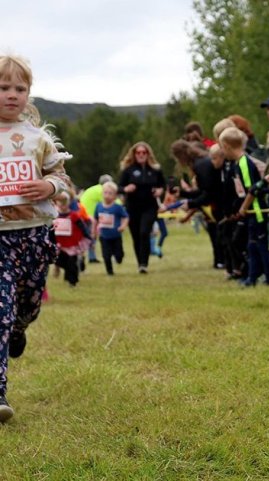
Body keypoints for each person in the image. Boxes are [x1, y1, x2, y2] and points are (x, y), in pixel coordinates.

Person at [0, 55, 71, 422]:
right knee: (0, 308)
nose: (12, 95)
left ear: (29, 94)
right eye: (3, 87)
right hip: (0, 239)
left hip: (35, 235)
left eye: (19, 88)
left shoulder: (39, 139)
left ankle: (20, 328)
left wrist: (47, 185)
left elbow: (62, 181)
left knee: (26, 305)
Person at [219, 127, 269, 286]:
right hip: (250, 211)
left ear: (227, 146)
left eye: (222, 148)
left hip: (256, 210)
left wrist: (243, 207)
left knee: (261, 244)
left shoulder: (244, 163)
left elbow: (253, 189)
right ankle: (252, 277)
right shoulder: (238, 163)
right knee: (251, 245)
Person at [170, 139, 224, 268]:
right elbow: (203, 191)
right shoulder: (201, 163)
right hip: (217, 203)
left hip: (220, 204)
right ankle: (220, 262)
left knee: (221, 236)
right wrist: (184, 194)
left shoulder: (200, 166)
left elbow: (209, 194)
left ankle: (224, 263)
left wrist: (191, 204)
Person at [118, 141, 165, 274]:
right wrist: (126, 188)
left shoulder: (155, 170)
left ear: (148, 154)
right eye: (138, 152)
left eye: (144, 152)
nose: (141, 155)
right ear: (134, 154)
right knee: (136, 235)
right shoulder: (128, 170)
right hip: (132, 207)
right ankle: (140, 263)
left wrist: (160, 191)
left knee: (144, 232)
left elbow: (163, 185)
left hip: (149, 207)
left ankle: (144, 263)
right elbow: (119, 187)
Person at [53, 192, 91, 286]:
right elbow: (50, 230)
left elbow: (82, 227)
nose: (62, 205)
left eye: (64, 203)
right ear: (56, 203)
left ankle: (72, 282)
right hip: (60, 244)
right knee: (61, 261)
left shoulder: (74, 216)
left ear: (68, 203)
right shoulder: (54, 216)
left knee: (72, 263)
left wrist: (87, 236)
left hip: (72, 244)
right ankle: (59, 268)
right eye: (60, 202)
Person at [93, 181, 129, 275]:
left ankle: (119, 258)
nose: (107, 195)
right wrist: (93, 231)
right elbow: (95, 219)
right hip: (104, 236)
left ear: (115, 196)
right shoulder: (99, 206)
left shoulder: (117, 207)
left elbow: (125, 217)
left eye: (110, 193)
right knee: (106, 255)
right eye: (105, 192)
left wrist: (123, 226)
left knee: (119, 255)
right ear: (102, 193)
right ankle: (110, 272)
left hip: (116, 236)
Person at [79, 174, 113, 263]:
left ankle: (90, 256)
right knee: (91, 236)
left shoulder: (93, 188)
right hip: (89, 216)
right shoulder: (101, 190)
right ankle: (90, 257)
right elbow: (110, 202)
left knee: (88, 236)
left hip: (82, 214)